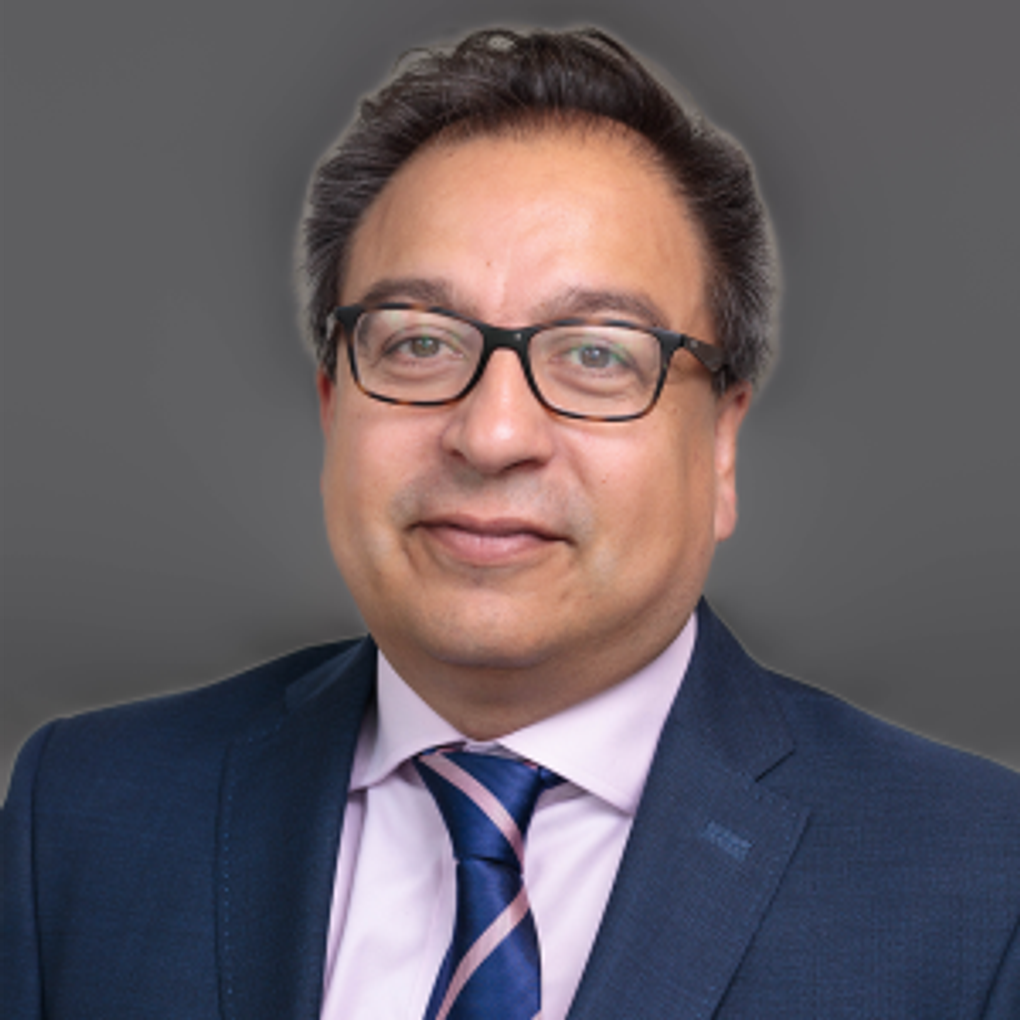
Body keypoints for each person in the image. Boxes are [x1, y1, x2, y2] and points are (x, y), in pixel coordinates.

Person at [1, 26, 1018, 1020]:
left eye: (596, 354)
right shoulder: (83, 815)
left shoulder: (981, 884)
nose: (491, 435)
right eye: (418, 344)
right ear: (332, 408)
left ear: (720, 445)